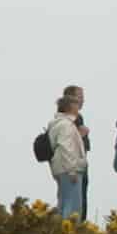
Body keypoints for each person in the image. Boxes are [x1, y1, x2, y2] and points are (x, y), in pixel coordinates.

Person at [45, 87, 91, 220]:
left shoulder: (59, 123)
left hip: (62, 168)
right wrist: (72, 170)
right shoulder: (66, 125)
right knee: (73, 206)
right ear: (70, 108)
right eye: (76, 104)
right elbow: (67, 148)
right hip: (70, 170)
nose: (79, 106)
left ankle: (62, 233)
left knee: (64, 203)